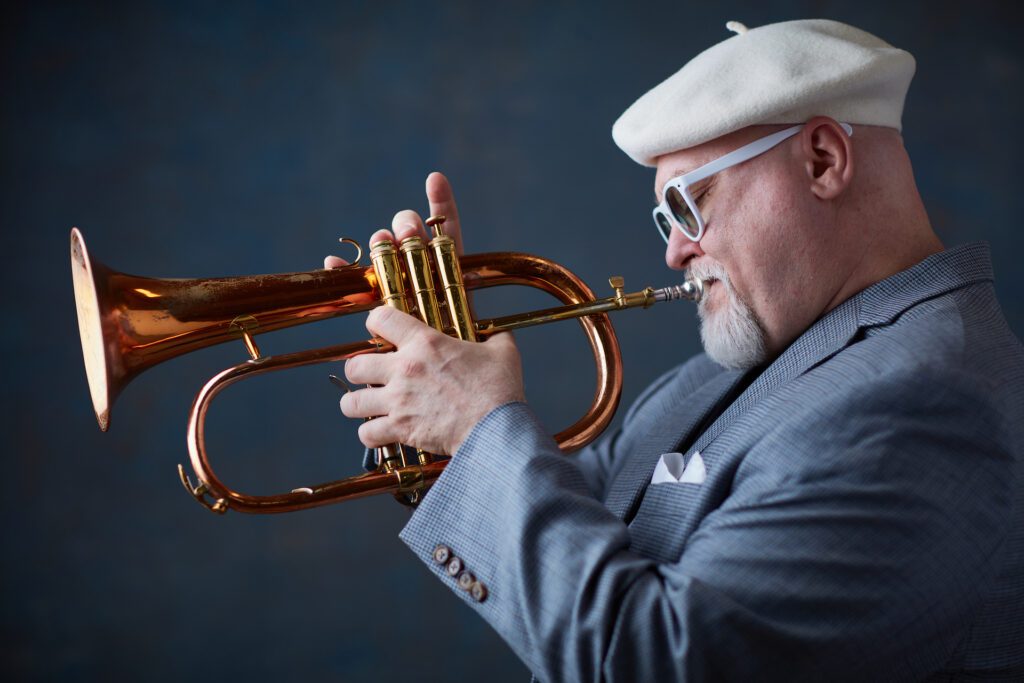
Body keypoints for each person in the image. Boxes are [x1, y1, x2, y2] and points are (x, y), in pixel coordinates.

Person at [325, 19, 1024, 682]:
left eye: (692, 203)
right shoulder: (727, 373)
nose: (674, 249)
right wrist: (425, 379)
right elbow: (569, 524)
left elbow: (659, 660)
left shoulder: (926, 402)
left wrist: (479, 425)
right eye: (666, 217)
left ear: (822, 160)